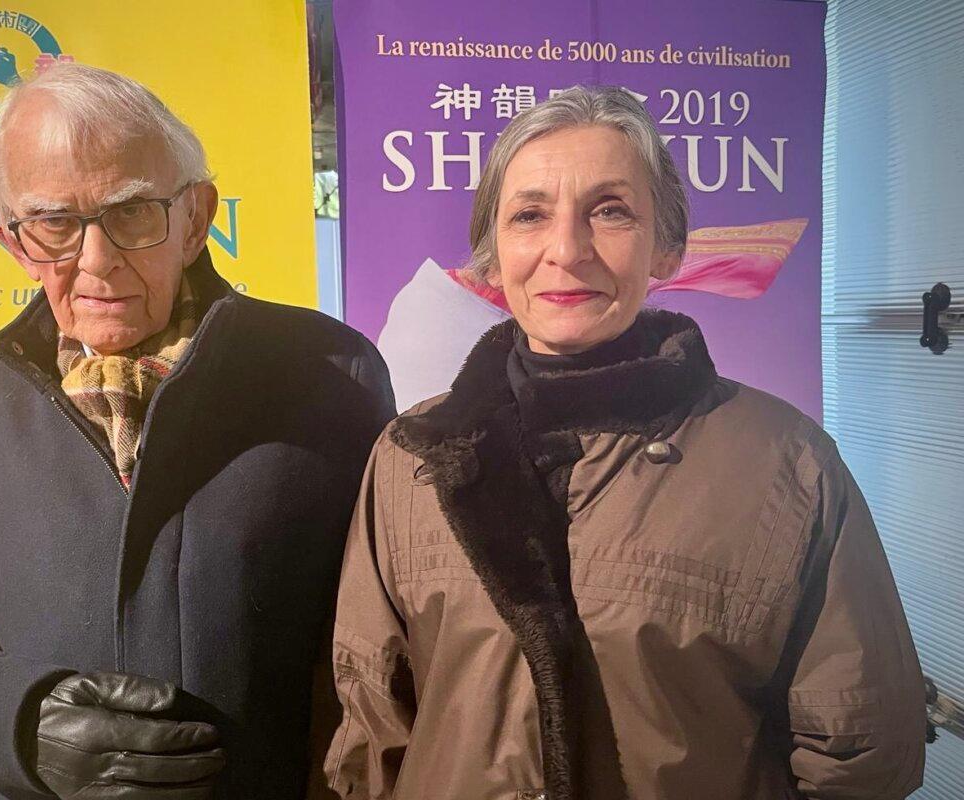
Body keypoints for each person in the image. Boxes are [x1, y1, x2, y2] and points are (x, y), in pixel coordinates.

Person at [323, 86, 926, 800]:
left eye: (610, 211)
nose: (567, 251)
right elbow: (371, 726)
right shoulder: (411, 456)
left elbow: (860, 753)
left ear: (666, 248)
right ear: (493, 256)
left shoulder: (786, 467)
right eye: (530, 215)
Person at [0, 63, 394, 800]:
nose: (98, 261)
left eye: (132, 212)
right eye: (55, 223)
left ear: (194, 219)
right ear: (14, 242)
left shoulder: (330, 375)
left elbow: (388, 635)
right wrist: (23, 727)